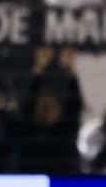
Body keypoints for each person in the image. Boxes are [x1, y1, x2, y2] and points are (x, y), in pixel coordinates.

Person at [17, 46, 83, 175]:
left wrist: (70, 72)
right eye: (43, 106)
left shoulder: (66, 131)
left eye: (52, 106)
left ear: (60, 110)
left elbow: (74, 107)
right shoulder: (29, 132)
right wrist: (38, 71)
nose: (47, 110)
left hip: (63, 182)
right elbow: (27, 108)